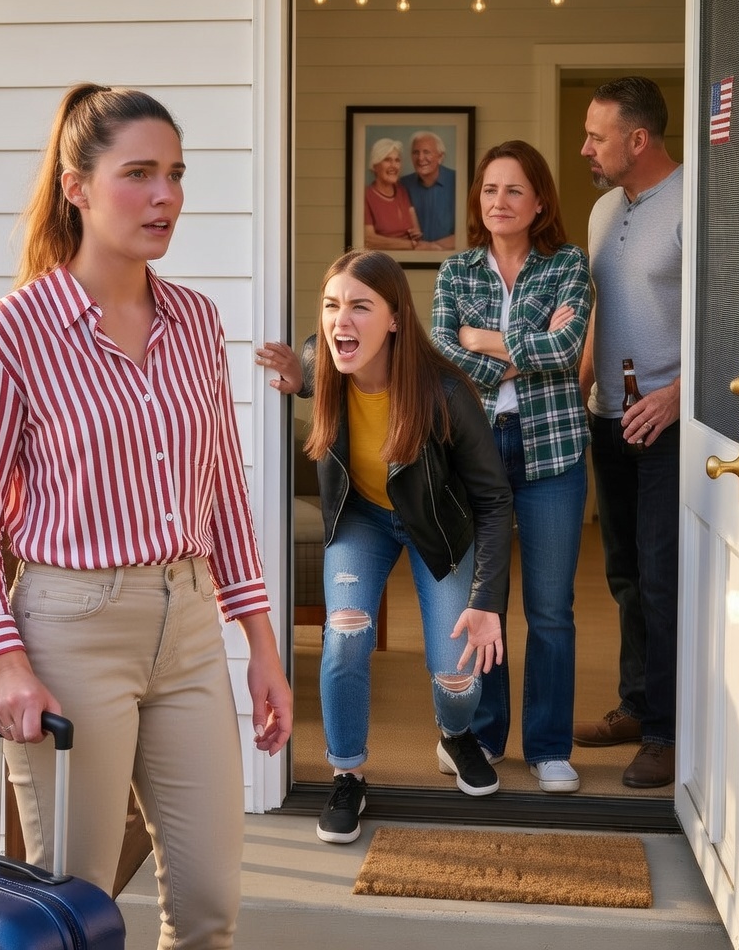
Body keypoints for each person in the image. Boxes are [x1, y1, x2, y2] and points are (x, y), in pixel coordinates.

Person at [0, 83, 292, 949]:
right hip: (71, 634)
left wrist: (262, 646)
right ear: (77, 188)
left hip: (191, 628)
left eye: (176, 174)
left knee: (208, 903)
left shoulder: (196, 322)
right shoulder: (12, 333)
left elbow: (222, 492)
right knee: (76, 909)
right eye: (139, 174)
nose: (165, 195)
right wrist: (4, 665)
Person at [256, 249, 513, 844]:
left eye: (360, 307)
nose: (341, 320)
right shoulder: (325, 362)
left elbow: (495, 501)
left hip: (436, 530)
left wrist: (486, 601)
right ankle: (347, 773)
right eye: (331, 306)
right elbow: (313, 366)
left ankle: (455, 736)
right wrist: (297, 377)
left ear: (395, 318)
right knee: (346, 633)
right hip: (362, 520)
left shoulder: (447, 392)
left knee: (455, 677)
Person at [430, 139, 591, 795]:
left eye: (514, 190)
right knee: (484, 599)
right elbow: (442, 352)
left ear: (540, 201)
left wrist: (484, 340)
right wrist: (521, 353)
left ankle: (549, 746)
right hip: (474, 449)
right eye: (490, 190)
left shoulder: (567, 264)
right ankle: (485, 736)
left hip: (552, 448)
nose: (500, 201)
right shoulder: (456, 271)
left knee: (550, 608)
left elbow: (568, 348)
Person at [576, 75, 682, 789]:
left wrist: (676, 397)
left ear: (638, 140)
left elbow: (730, 322)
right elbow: (600, 309)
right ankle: (637, 708)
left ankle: (668, 733)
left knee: (660, 577)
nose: (586, 148)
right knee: (623, 575)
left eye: (598, 136)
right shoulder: (602, 209)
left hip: (666, 425)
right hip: (606, 416)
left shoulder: (697, 205)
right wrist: (577, 388)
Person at [363, 137, 441, 251]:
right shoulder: (366, 195)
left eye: (397, 160)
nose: (394, 165)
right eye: (387, 160)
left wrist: (416, 237)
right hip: (383, 257)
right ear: (375, 166)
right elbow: (369, 240)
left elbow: (416, 230)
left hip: (410, 256)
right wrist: (411, 245)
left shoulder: (402, 191)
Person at [400, 130, 457, 248]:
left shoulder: (458, 181)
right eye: (416, 152)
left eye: (426, 152)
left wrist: (431, 247)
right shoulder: (402, 184)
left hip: (450, 255)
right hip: (411, 255)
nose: (420, 158)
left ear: (440, 157)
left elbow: (468, 233)